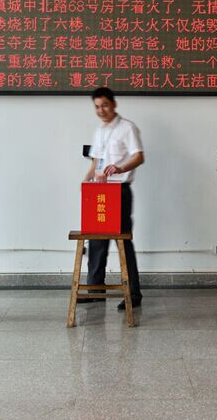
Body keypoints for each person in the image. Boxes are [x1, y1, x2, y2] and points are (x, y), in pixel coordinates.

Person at [82, 88, 144, 310]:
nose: (101, 110)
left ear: (114, 104)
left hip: (119, 191)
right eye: (97, 107)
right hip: (99, 191)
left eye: (105, 105)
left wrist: (119, 168)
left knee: (123, 242)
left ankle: (133, 294)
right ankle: (95, 291)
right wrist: (86, 180)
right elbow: (95, 161)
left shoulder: (127, 127)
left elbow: (139, 156)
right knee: (96, 241)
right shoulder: (99, 131)